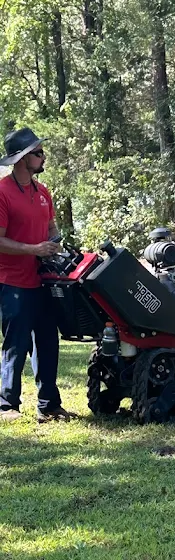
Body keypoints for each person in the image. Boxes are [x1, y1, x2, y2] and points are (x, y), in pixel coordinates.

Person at [0, 127, 73, 422]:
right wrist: (34, 249)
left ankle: (49, 404)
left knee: (47, 341)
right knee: (16, 344)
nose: (44, 157)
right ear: (22, 158)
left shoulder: (43, 192)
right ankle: (7, 405)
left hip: (44, 280)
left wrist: (56, 245)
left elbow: (51, 228)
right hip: (12, 281)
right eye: (38, 152)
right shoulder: (2, 193)